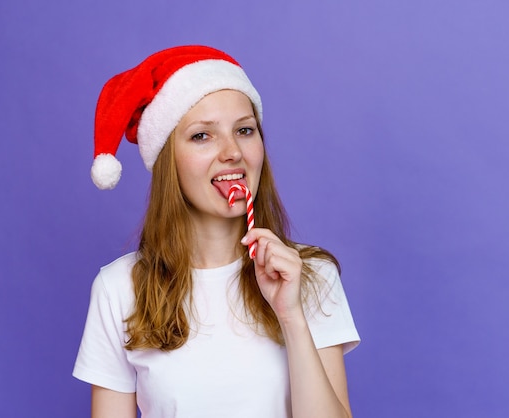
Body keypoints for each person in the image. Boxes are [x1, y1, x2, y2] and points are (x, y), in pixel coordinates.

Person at [73, 45, 360, 418]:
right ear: (167, 160)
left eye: (244, 130)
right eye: (201, 136)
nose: (232, 152)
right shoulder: (118, 288)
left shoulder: (309, 275)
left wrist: (291, 315)